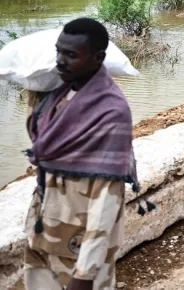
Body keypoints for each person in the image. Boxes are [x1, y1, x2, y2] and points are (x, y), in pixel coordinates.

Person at [23, 18, 138, 290]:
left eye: (71, 55)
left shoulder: (111, 112)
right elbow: (41, 144)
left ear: (98, 58)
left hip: (81, 241)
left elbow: (106, 199)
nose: (60, 61)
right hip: (43, 231)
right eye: (58, 52)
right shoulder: (55, 96)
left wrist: (85, 273)